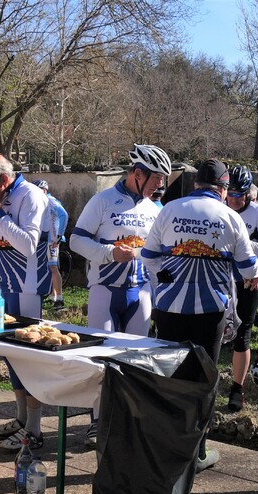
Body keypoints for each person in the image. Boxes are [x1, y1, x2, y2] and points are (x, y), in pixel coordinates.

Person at [143, 158, 258, 472]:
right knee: (204, 379)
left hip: (169, 308)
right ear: (223, 188)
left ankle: (166, 446)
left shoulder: (169, 208)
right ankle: (198, 451)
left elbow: (149, 256)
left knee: (169, 374)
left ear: (196, 184)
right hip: (210, 310)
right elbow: (249, 267)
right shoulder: (230, 216)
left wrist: (167, 277)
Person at [70, 143, 169, 447]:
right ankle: (97, 421)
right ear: (137, 173)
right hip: (104, 290)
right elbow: (76, 241)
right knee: (101, 359)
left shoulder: (156, 209)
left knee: (133, 361)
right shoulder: (102, 201)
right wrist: (110, 253)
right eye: (156, 177)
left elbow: (159, 255)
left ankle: (127, 420)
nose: (160, 184)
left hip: (141, 293)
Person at [0, 153, 51, 450]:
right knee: (8, 352)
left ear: (3, 180)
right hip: (3, 287)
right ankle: (21, 419)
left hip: (28, 287)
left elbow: (28, 245)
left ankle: (35, 431)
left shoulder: (30, 196)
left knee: (27, 355)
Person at [224, 165, 258, 412]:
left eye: (240, 195)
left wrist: (241, 244)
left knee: (243, 334)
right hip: (222, 279)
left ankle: (237, 388)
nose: (234, 200)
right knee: (215, 332)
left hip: (248, 280)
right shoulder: (219, 209)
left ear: (248, 194)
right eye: (230, 194)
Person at [34, 180, 69, 309]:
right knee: (48, 268)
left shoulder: (50, 200)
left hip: (52, 240)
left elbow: (64, 215)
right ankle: (53, 295)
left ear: (44, 190)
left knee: (53, 268)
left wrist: (59, 236)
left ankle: (59, 299)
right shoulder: (42, 200)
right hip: (45, 239)